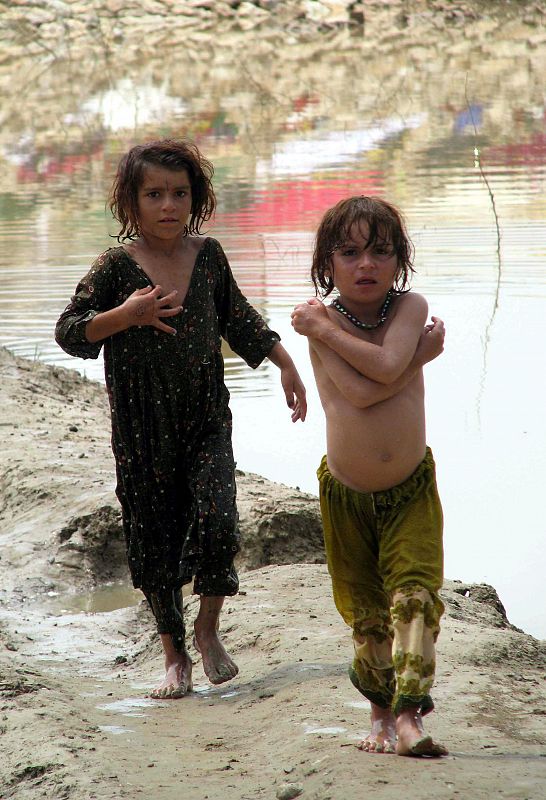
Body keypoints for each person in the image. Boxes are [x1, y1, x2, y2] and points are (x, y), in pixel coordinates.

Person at [55, 138, 306, 700]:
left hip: (205, 417)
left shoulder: (209, 255)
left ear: (196, 198)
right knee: (153, 537)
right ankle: (174, 654)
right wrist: (126, 315)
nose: (168, 205)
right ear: (131, 202)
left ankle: (208, 627)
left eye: (179, 193)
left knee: (219, 518)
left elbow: (239, 319)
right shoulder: (116, 268)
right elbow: (70, 332)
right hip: (141, 426)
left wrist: (285, 364)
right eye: (154, 194)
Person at [291, 196, 447, 757]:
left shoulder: (410, 308)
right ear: (327, 263)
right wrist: (420, 358)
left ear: (399, 260)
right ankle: (379, 714)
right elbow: (358, 393)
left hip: (410, 489)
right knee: (367, 613)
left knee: (415, 597)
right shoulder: (321, 320)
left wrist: (410, 358)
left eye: (381, 252)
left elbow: (380, 368)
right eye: (350, 253)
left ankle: (410, 716)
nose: (366, 266)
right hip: (347, 495)